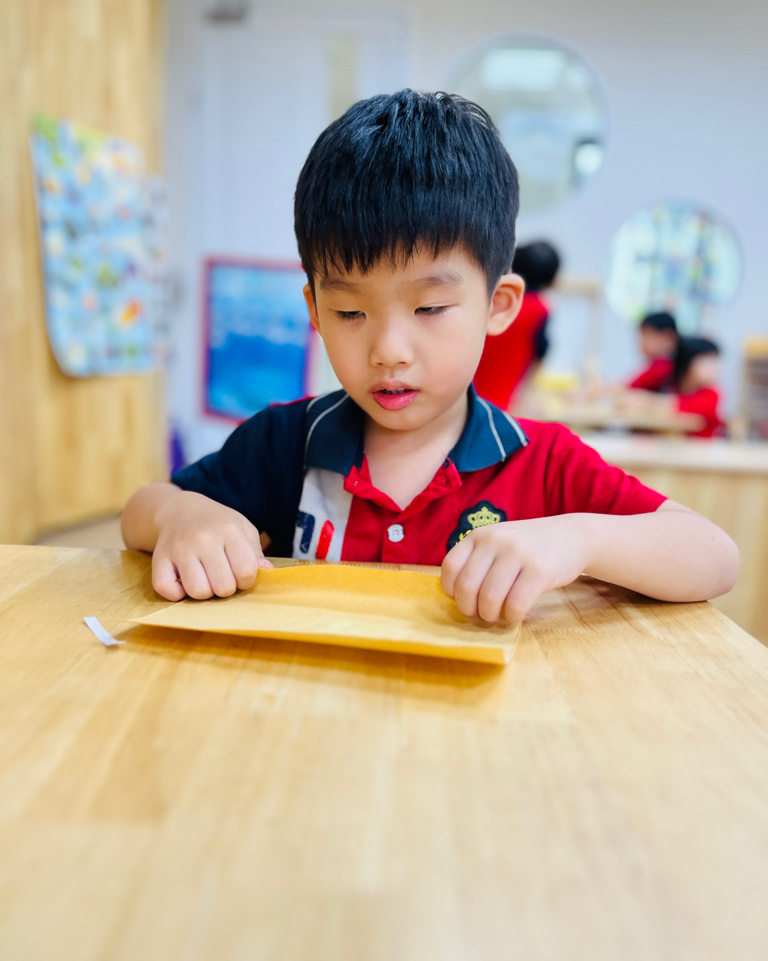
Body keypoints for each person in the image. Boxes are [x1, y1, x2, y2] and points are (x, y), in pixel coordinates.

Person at [121, 90, 738, 623]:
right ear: (314, 310)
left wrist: (579, 538)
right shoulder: (285, 442)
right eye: (350, 312)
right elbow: (142, 509)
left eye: (430, 308)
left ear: (498, 305)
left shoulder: (543, 463)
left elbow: (713, 556)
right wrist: (182, 517)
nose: (389, 352)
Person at [473, 241, 560, 410]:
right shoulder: (539, 310)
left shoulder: (491, 299)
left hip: (465, 394)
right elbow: (540, 353)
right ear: (551, 282)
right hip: (501, 401)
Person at [673, 336, 725, 438]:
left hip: (703, 445)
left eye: (715, 362)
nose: (714, 368)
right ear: (687, 362)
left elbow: (681, 407)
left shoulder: (712, 394)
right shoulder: (673, 386)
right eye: (707, 362)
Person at [628, 311, 679, 392]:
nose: (642, 341)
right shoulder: (656, 364)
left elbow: (629, 387)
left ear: (667, 337)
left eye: (647, 335)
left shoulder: (662, 365)